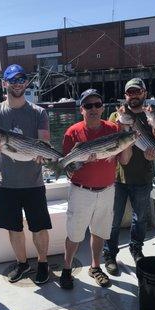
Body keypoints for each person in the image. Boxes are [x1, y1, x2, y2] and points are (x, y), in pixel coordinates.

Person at [0, 64, 52, 284]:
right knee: (14, 228)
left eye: (21, 80)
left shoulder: (39, 112)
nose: (17, 84)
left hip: (34, 182)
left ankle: (42, 263)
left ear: (26, 83)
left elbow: (44, 142)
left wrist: (45, 153)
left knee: (39, 227)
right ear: (4, 83)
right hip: (5, 184)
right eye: (12, 80)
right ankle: (23, 264)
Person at [59, 89, 132, 289]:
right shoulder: (72, 132)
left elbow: (124, 160)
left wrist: (127, 140)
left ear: (102, 108)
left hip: (108, 190)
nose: (93, 109)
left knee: (99, 232)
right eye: (88, 105)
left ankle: (95, 266)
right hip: (81, 191)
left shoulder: (113, 129)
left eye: (97, 105)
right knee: (74, 234)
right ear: (81, 109)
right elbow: (68, 169)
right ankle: (67, 268)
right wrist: (80, 162)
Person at [103, 78, 155, 275]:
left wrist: (154, 151)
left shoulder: (150, 115)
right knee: (114, 219)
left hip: (143, 176)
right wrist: (120, 126)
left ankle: (136, 248)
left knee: (140, 218)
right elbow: (109, 140)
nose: (133, 96)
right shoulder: (116, 115)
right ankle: (110, 253)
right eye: (129, 93)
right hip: (118, 177)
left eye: (137, 92)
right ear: (125, 96)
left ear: (144, 93)